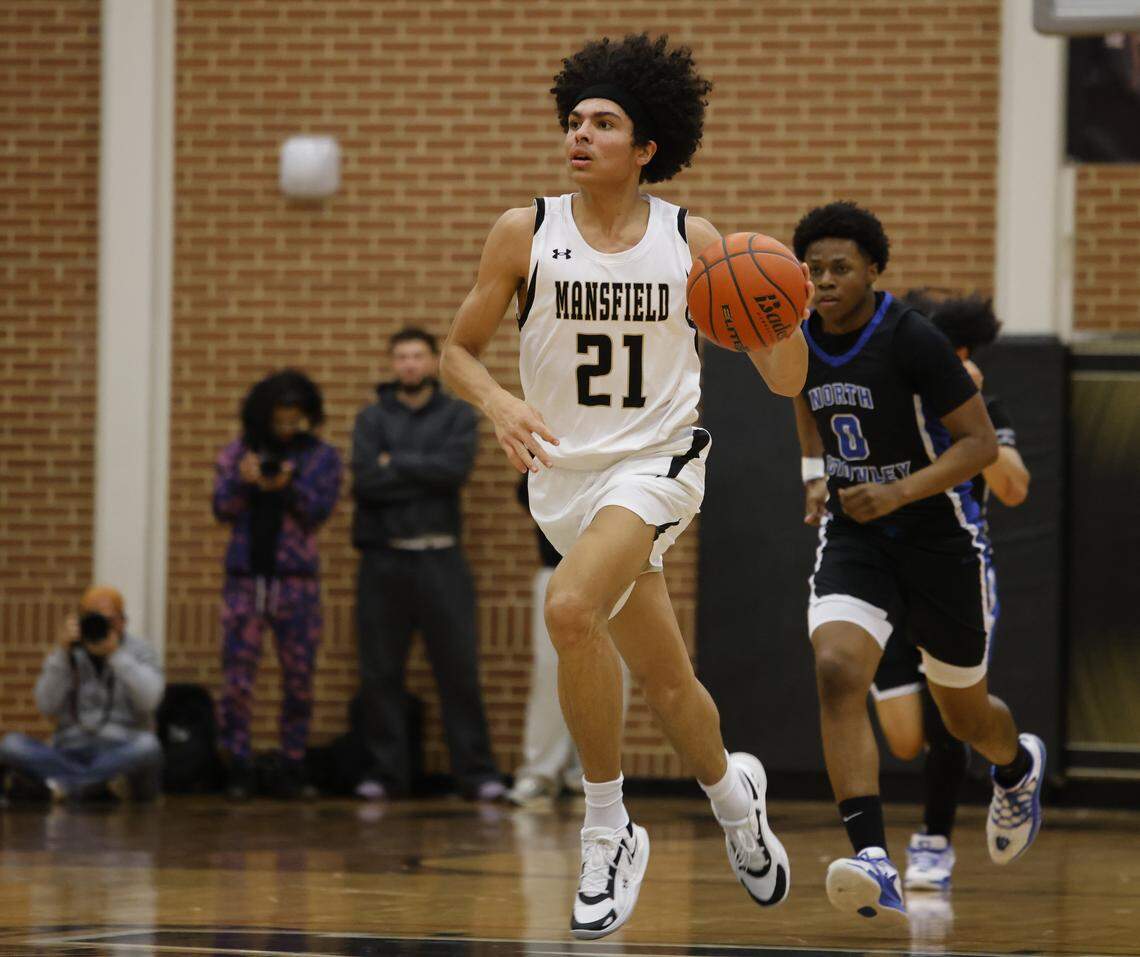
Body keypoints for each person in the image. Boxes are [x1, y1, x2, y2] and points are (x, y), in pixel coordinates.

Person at [440, 33, 810, 939]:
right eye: (574, 119)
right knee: (666, 678)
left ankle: (607, 829)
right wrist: (496, 401)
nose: (580, 134)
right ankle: (734, 798)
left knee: (568, 611)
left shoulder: (697, 241)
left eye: (603, 123)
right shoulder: (524, 231)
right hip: (564, 475)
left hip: (659, 463)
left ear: (647, 146)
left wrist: (786, 309)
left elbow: (785, 378)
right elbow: (456, 351)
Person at [790, 201, 1046, 925]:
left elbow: (981, 445)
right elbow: (802, 401)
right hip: (854, 535)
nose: (825, 280)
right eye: (814, 269)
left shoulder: (914, 338)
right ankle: (874, 857)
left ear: (874, 269)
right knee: (837, 669)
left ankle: (1017, 767)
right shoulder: (799, 334)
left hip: (938, 538)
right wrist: (815, 473)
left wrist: (899, 489)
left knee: (963, 718)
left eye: (841, 267)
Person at [869, 292, 1031, 895]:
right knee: (905, 737)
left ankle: (933, 841)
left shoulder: (982, 405)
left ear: (960, 355)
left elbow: (1013, 487)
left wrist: (969, 419)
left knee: (950, 721)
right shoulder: (889, 402)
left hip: (955, 569)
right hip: (887, 575)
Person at [351, 327, 505, 803]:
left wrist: (393, 462)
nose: (410, 365)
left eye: (418, 356)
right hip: (383, 560)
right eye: (402, 357)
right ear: (392, 364)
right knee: (380, 673)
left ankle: (476, 775)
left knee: (458, 670)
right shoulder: (371, 418)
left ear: (433, 362)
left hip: (441, 559)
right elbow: (365, 480)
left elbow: (454, 471)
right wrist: (418, 468)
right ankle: (386, 774)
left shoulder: (458, 414)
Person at [212, 370, 342, 799]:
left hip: (296, 582)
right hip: (245, 579)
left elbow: (318, 511)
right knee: (237, 678)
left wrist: (288, 486)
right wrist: (244, 480)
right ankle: (237, 765)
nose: (287, 426)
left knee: (300, 677)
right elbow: (222, 507)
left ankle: (292, 763)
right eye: (279, 418)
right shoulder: (239, 453)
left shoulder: (319, 457)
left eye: (295, 418)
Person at [0, 586, 164, 802]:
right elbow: (46, 705)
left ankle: (60, 787)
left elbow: (150, 701)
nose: (100, 626)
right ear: (79, 620)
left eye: (109, 619)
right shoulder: (67, 652)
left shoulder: (139, 650)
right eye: (93, 619)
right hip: (68, 748)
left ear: (123, 621)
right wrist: (62, 655)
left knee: (148, 747)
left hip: (119, 749)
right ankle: (94, 786)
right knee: (12, 745)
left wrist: (117, 656)